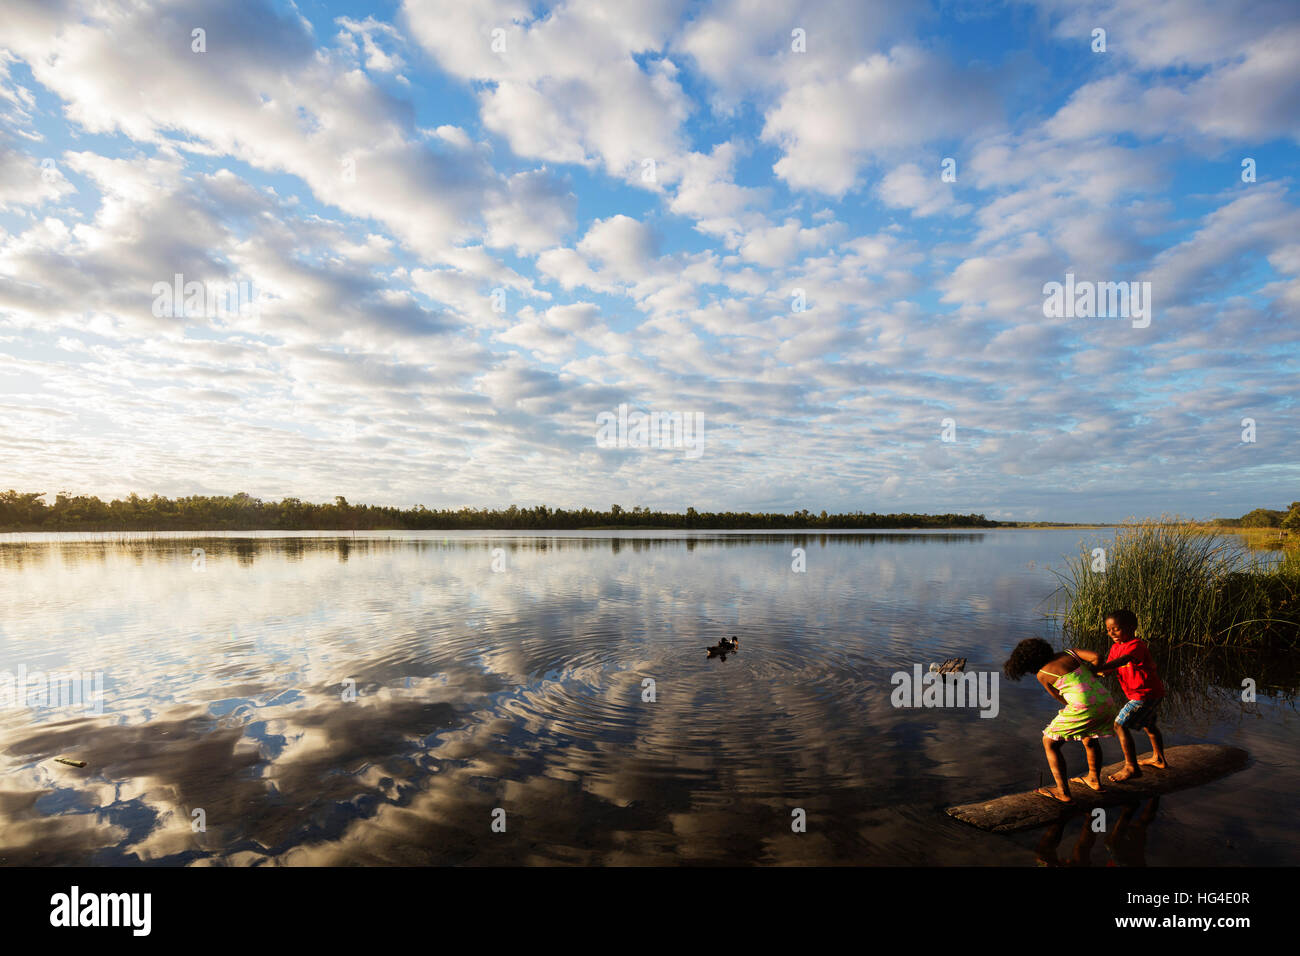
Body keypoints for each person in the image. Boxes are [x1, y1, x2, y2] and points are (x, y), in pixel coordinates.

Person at [1003, 638, 1118, 803]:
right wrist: (1093, 672)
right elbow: (1097, 656)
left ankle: (1063, 792)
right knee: (1090, 736)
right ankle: (1094, 779)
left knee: (1049, 741)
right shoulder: (1071, 653)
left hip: (1085, 706)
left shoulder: (1043, 674)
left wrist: (1075, 708)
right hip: (1106, 701)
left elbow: (1059, 697)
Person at [1093, 609, 1166, 782]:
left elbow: (1123, 661)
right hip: (1147, 693)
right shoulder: (1115, 647)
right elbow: (1108, 669)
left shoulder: (1135, 645)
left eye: (1116, 629)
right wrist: (1089, 672)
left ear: (1131, 627)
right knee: (1149, 724)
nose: (1111, 633)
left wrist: (1097, 668)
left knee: (1119, 725)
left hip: (1145, 694)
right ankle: (1159, 759)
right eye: (1108, 629)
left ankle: (1131, 767)